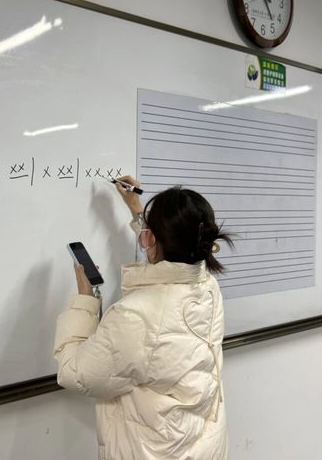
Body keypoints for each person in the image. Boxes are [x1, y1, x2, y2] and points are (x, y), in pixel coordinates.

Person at [54, 175, 232, 460]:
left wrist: (84, 299)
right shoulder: (207, 287)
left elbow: (74, 372)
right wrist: (137, 210)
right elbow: (171, 253)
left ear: (150, 238)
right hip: (202, 448)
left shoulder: (135, 316)